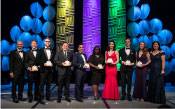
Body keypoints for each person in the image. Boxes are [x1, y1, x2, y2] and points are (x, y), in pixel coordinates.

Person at [39, 38, 55, 104]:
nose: (48, 42)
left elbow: (53, 60)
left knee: (48, 84)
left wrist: (52, 64)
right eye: (46, 41)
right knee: (42, 85)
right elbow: (38, 60)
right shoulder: (40, 50)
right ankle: (41, 98)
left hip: (50, 70)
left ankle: (48, 97)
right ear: (44, 42)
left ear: (50, 43)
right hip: (43, 70)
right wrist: (43, 64)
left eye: (49, 41)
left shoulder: (52, 51)